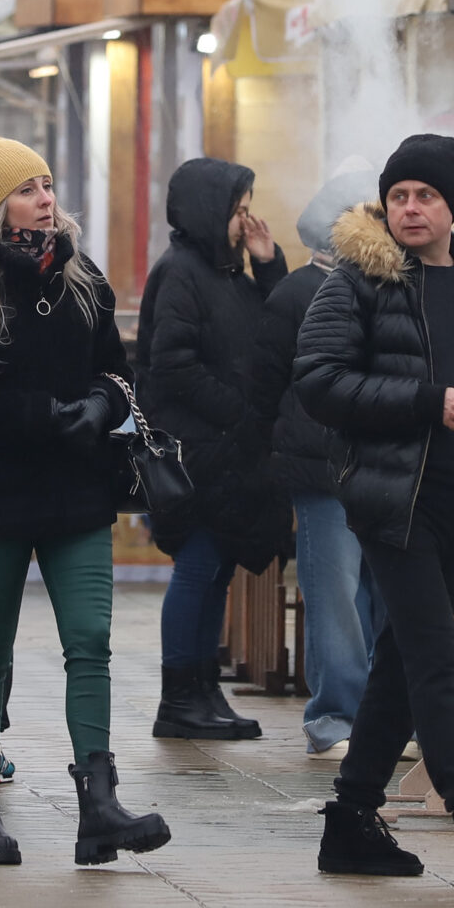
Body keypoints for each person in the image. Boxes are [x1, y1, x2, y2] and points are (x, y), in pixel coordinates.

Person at [295, 134, 454, 882]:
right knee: (437, 659)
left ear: (451, 207)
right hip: (393, 498)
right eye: (399, 194)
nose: (410, 208)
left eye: (425, 196)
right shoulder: (360, 279)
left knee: (404, 667)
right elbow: (319, 379)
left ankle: (350, 821)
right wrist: (423, 402)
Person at [0, 130, 169, 868]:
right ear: (0, 206)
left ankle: (98, 800)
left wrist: (99, 404)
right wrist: (40, 416)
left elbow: (119, 371)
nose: (46, 197)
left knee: (90, 640)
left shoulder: (82, 280)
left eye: (49, 183)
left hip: (76, 491)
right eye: (29, 188)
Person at [139, 157, 287, 741]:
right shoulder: (180, 272)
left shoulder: (230, 273)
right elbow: (171, 363)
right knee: (199, 568)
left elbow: (279, 328)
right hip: (196, 454)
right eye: (237, 209)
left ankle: (204, 689)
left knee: (218, 570)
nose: (245, 220)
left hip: (231, 456)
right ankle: (178, 696)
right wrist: (237, 413)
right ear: (209, 211)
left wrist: (269, 263)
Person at [246, 171, 381, 759]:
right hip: (324, 466)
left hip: (367, 466)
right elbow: (268, 383)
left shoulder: (367, 287)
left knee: (362, 594)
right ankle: (334, 716)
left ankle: (369, 713)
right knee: (337, 594)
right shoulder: (302, 292)